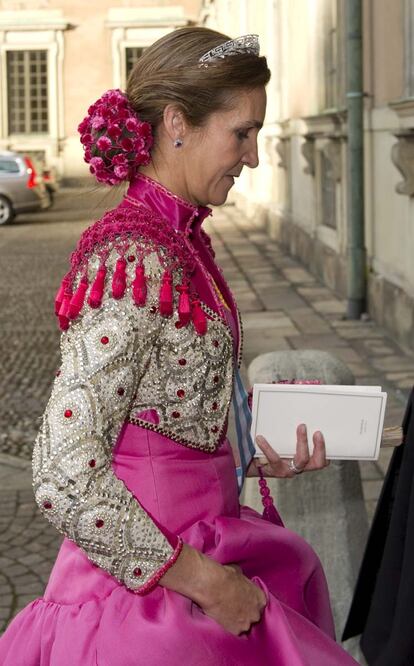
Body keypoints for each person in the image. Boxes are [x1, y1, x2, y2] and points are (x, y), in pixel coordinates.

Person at [0, 27, 357, 665]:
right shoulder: (131, 257)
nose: (250, 157)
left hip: (203, 552)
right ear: (176, 124)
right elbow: (62, 474)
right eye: (242, 133)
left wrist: (247, 451)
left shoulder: (180, 241)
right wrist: (207, 583)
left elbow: (163, 408)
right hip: (154, 604)